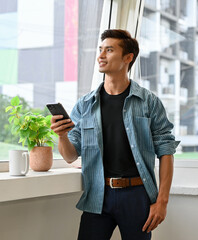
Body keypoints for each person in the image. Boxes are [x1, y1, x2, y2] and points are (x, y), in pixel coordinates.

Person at [50, 29, 180, 240]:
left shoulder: (149, 102)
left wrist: (162, 201)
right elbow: (70, 156)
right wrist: (62, 136)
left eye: (109, 50)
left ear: (128, 58)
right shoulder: (85, 105)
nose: (101, 55)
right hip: (97, 195)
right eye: (101, 50)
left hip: (137, 196)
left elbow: (166, 151)